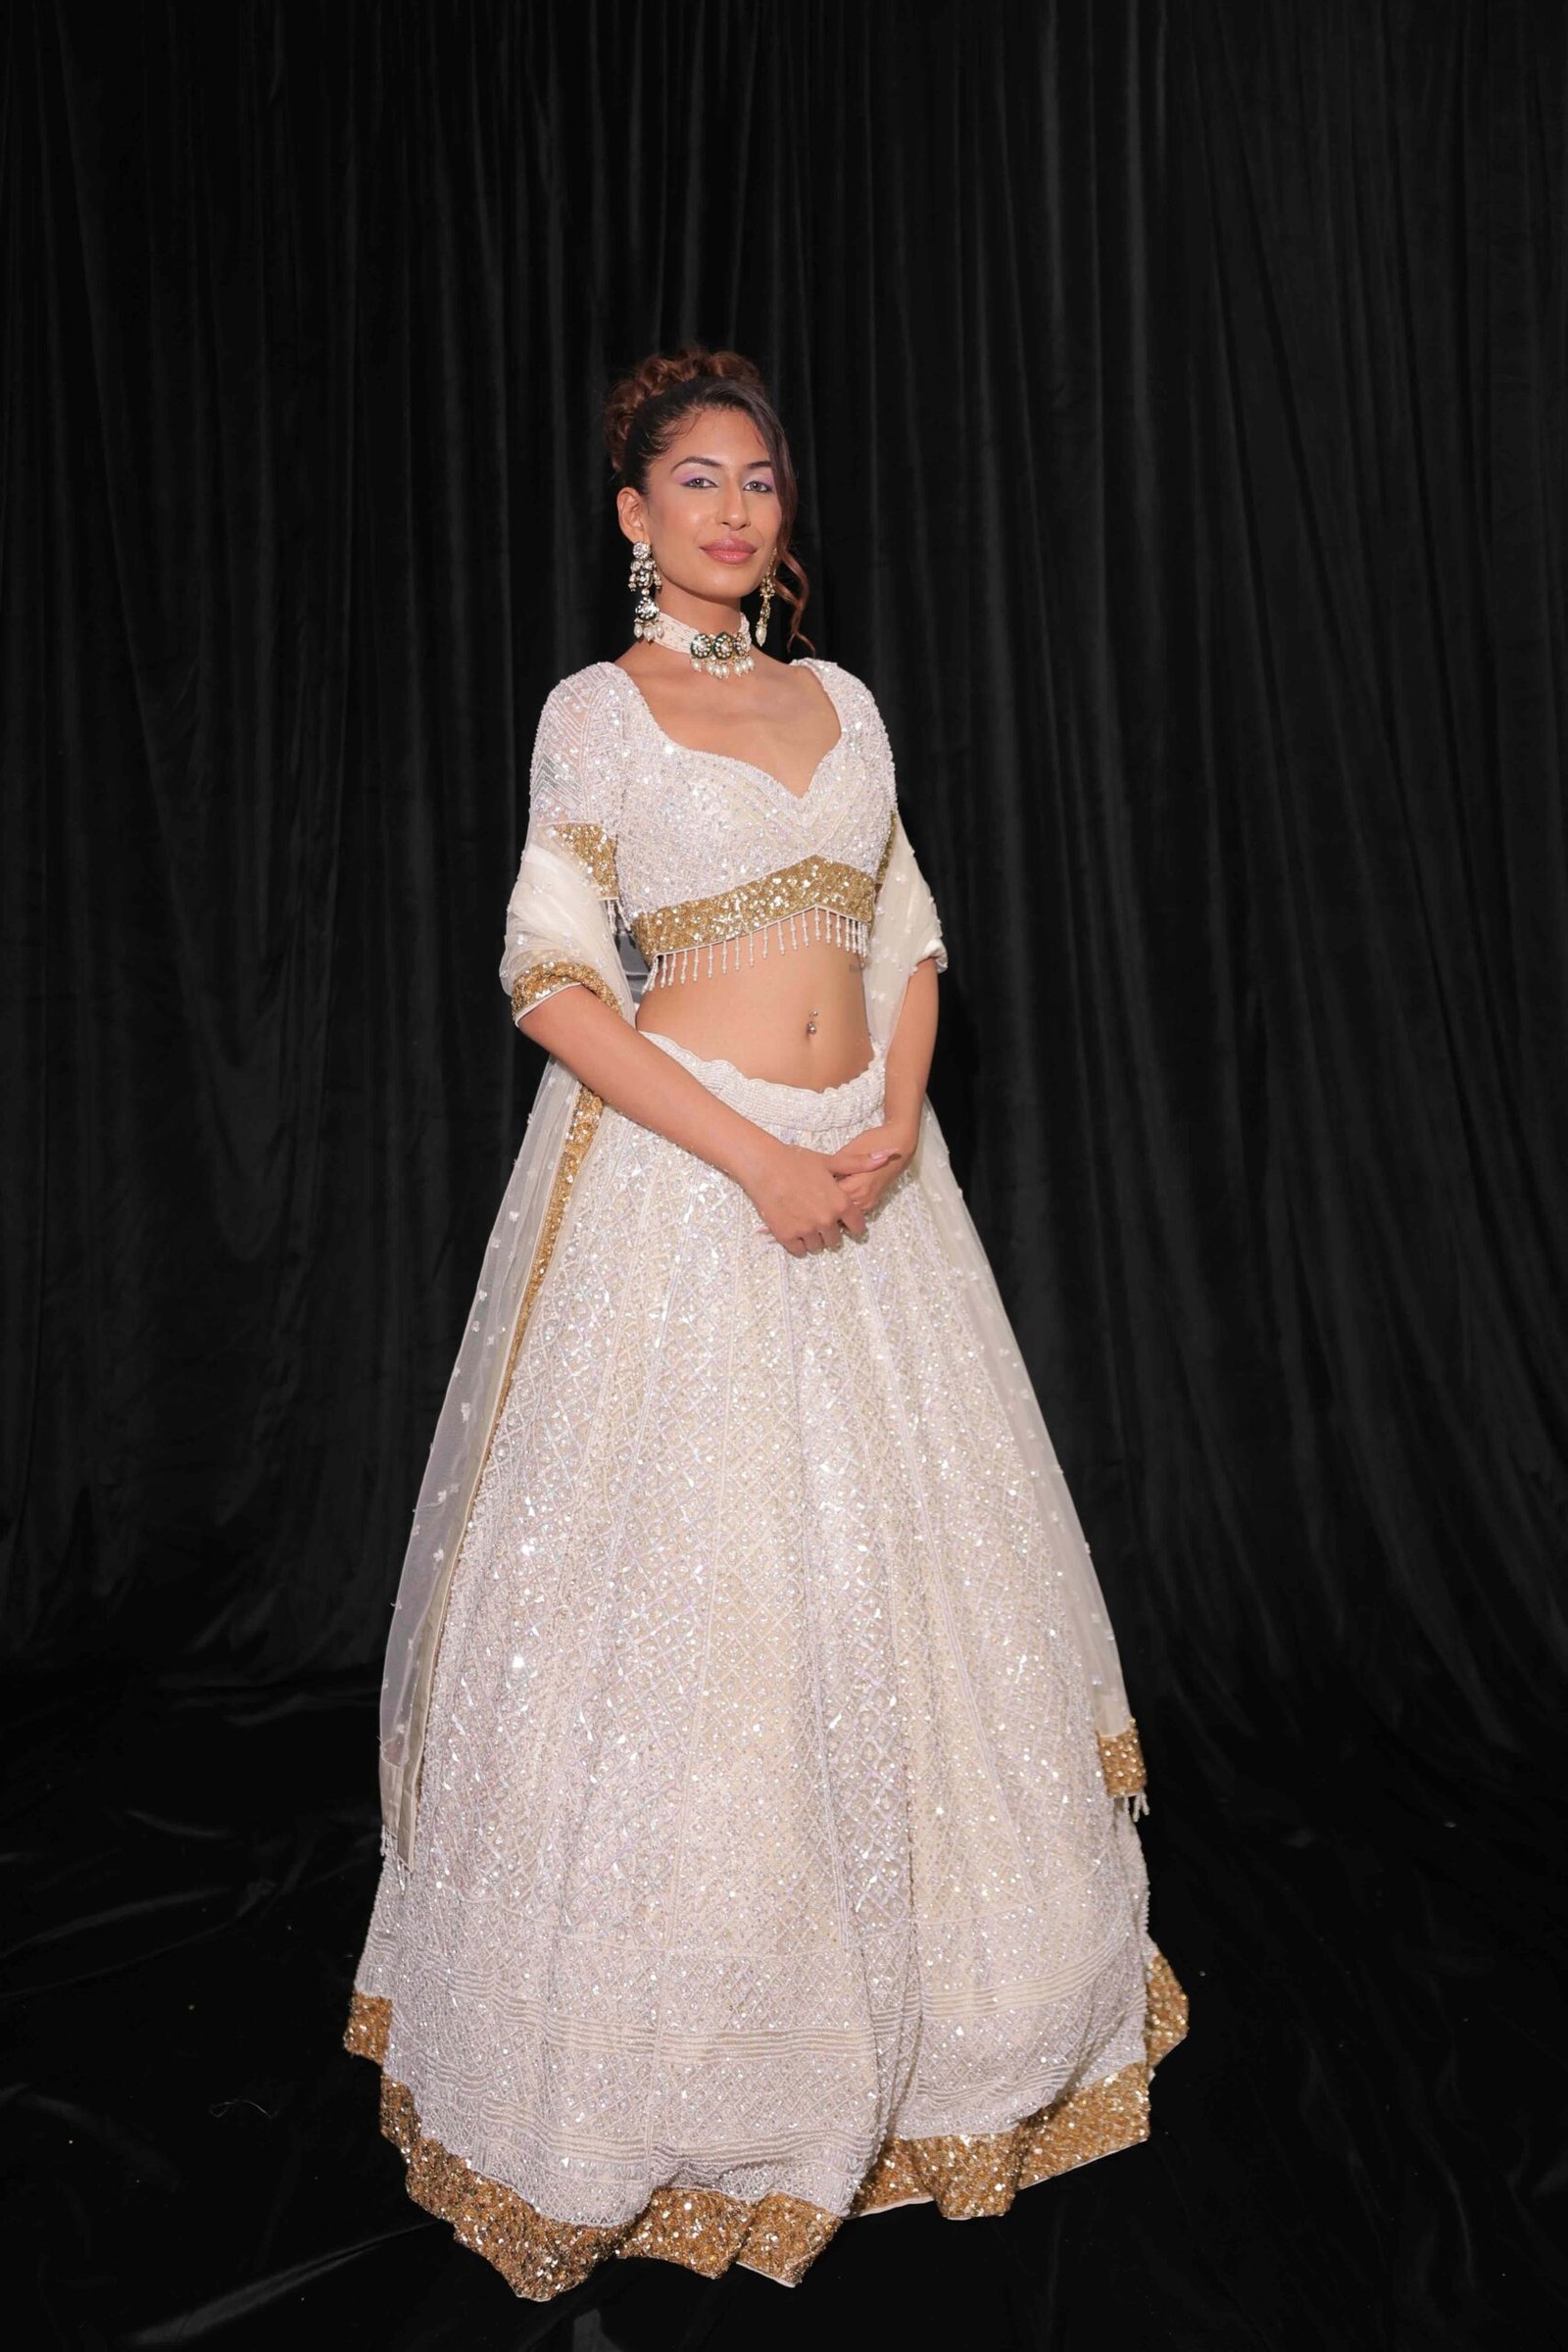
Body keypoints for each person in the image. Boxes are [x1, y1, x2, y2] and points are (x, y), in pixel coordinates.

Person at [342, 344, 1187, 2299]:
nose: (735, 508)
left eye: (758, 480)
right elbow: (549, 977)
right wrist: (753, 1161)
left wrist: (888, 1119)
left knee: (908, 1592)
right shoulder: (595, 712)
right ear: (633, 516)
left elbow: (908, 930)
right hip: (692, 1188)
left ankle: (958, 2027)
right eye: (697, 481)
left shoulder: (843, 700)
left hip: (873, 1182)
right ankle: (688, 2055)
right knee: (705, 1605)